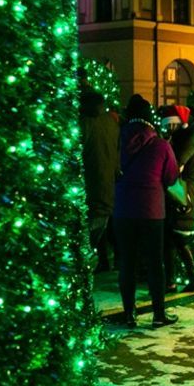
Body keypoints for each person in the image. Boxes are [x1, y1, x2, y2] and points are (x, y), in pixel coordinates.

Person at [114, 94, 180, 328]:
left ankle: (129, 313)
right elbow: (171, 177)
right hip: (152, 209)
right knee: (154, 263)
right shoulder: (160, 144)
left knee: (127, 263)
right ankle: (158, 314)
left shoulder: (117, 140)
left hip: (122, 208)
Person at [159, 104, 194, 293]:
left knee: (178, 237)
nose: (168, 129)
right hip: (178, 188)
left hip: (184, 190)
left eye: (171, 125)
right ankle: (173, 280)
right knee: (171, 238)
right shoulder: (181, 137)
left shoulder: (191, 139)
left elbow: (175, 164)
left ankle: (192, 279)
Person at [81, 87, 119, 274]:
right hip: (108, 182)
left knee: (92, 229)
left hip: (91, 182)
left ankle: (88, 265)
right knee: (103, 224)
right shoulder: (110, 122)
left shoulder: (84, 122)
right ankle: (106, 261)